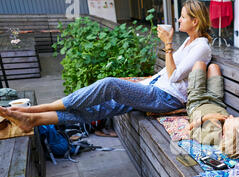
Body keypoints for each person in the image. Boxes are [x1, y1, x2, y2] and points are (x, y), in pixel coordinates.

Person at [0, 0, 212, 133]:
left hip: (166, 98)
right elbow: (166, 73)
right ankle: (33, 120)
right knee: (101, 107)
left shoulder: (201, 47)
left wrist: (167, 44)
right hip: (156, 89)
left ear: (195, 21)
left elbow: (174, 77)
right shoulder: (188, 41)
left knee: (110, 84)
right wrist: (143, 82)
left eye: (183, 16)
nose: (179, 19)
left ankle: (38, 108)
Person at [186, 60, 239, 159]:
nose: (231, 116)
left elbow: (189, 129)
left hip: (197, 103)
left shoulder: (212, 137)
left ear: (225, 135)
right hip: (216, 100)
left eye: (231, 119)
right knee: (214, 67)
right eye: (234, 117)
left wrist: (206, 117)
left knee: (199, 63)